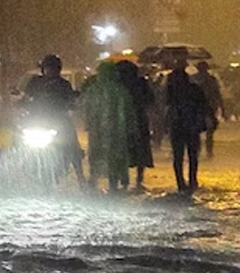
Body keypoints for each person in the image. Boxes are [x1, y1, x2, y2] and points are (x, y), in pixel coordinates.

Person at [21, 54, 85, 184]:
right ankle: (24, 170)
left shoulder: (64, 84)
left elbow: (71, 100)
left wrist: (73, 104)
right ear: (43, 69)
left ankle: (81, 178)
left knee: (72, 145)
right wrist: (20, 105)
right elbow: (25, 98)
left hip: (59, 121)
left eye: (54, 68)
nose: (50, 71)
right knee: (21, 141)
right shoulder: (35, 82)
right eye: (48, 68)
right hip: (36, 121)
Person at [83, 62, 133, 191]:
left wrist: (88, 124)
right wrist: (131, 128)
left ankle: (94, 181)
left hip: (98, 130)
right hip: (116, 131)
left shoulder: (93, 90)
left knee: (96, 155)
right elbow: (129, 111)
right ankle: (114, 183)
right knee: (115, 156)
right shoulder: (120, 90)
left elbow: (86, 108)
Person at [165, 64, 210, 194]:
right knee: (193, 156)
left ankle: (180, 183)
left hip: (177, 127)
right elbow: (203, 106)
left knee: (178, 156)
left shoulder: (172, 91)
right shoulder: (195, 89)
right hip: (192, 126)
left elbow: (169, 108)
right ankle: (192, 181)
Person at [116, 60, 154, 190]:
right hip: (139, 120)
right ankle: (139, 179)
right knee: (141, 149)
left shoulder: (118, 84)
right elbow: (150, 100)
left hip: (122, 120)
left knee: (123, 149)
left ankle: (124, 180)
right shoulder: (141, 83)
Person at [193, 61, 223, 159]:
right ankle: (207, 151)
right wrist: (222, 108)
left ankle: (200, 150)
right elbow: (218, 95)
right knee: (208, 131)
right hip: (206, 108)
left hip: (200, 108)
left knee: (198, 131)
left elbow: (217, 94)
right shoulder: (211, 79)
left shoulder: (194, 79)